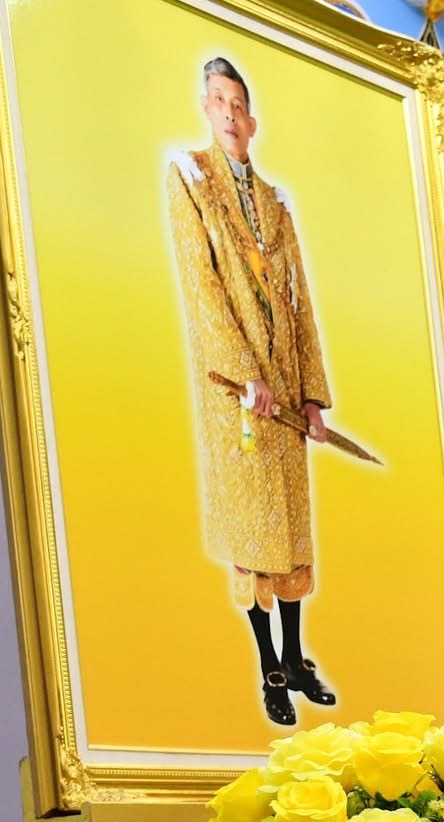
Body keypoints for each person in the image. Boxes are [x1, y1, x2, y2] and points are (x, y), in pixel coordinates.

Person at [168, 55, 335, 728]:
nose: (231, 115)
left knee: (291, 524)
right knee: (252, 528)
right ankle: (268, 664)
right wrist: (245, 373)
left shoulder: (276, 202)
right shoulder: (190, 180)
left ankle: (297, 655)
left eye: (239, 103)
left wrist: (313, 393)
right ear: (206, 110)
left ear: (253, 119)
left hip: (287, 390)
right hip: (236, 393)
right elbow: (201, 287)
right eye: (219, 102)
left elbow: (299, 303)